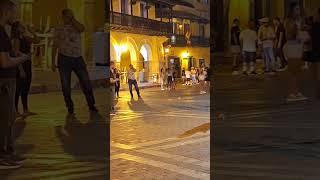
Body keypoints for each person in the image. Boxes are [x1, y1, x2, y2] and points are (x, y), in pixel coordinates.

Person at [0, 0, 30, 169]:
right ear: (6, 12)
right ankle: (2, 156)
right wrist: (22, 58)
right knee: (5, 118)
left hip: (6, 80)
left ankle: (7, 153)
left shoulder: (4, 32)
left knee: (8, 117)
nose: (16, 16)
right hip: (4, 79)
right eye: (14, 12)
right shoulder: (1, 33)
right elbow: (4, 62)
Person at [52, 9, 98, 115]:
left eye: (71, 16)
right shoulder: (58, 28)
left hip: (78, 58)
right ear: (63, 17)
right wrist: (52, 62)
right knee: (65, 85)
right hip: (63, 59)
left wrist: (73, 20)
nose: (70, 18)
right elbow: (55, 45)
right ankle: (70, 107)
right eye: (68, 16)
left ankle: (91, 105)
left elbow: (82, 29)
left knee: (86, 82)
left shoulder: (77, 26)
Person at [11, 21, 39, 116]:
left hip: (27, 63)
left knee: (26, 88)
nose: (23, 27)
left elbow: (37, 40)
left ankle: (25, 109)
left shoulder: (25, 38)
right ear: (16, 29)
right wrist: (21, 70)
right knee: (18, 88)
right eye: (21, 26)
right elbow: (16, 55)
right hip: (21, 65)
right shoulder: (16, 39)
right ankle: (15, 110)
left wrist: (32, 32)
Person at [283, 2, 307, 101]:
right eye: (296, 9)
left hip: (298, 46)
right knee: (293, 71)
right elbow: (289, 36)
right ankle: (292, 93)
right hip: (292, 47)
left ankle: (296, 91)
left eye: (298, 9)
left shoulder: (298, 20)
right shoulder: (289, 21)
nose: (298, 11)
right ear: (292, 10)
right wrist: (297, 30)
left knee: (297, 71)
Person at [306, 8, 320, 100]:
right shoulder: (314, 26)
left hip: (316, 52)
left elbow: (311, 40)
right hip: (317, 51)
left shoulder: (314, 26)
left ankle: (318, 94)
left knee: (317, 75)